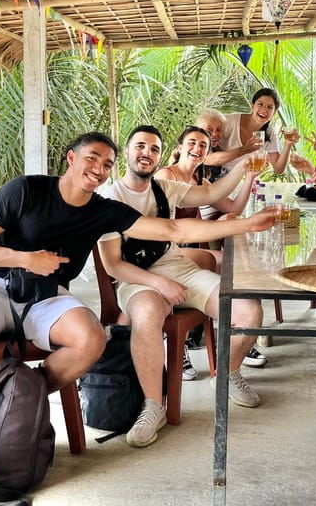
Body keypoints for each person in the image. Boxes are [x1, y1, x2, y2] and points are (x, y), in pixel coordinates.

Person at [0, 132, 276, 506]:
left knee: (92, 339)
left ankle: (10, 405)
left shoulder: (102, 210)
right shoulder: (25, 190)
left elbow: (174, 230)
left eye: (106, 163)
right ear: (71, 158)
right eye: (93, 158)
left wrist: (246, 224)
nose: (99, 169)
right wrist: (25, 259)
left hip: (47, 296)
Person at [99, 126, 271, 448]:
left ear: (160, 156)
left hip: (179, 269)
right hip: (137, 277)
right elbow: (113, 265)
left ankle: (227, 373)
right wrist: (157, 282)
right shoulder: (109, 198)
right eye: (140, 146)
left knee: (248, 309)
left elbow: (210, 195)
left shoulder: (165, 188)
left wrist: (244, 169)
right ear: (127, 151)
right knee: (148, 313)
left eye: (153, 149)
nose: (146, 153)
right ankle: (153, 407)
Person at [156, 125, 268, 377]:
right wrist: (213, 226)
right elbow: (168, 228)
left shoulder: (201, 180)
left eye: (203, 145)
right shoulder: (166, 176)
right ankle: (181, 345)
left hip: (191, 249)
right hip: (171, 251)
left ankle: (240, 333)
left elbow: (234, 206)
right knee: (227, 265)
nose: (197, 149)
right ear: (180, 147)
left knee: (240, 269)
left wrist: (249, 176)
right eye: (192, 143)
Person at [203, 88, 298, 175]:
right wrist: (244, 149)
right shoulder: (229, 121)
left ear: (274, 113)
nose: (264, 110)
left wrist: (288, 144)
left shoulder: (269, 133)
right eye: (260, 104)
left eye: (270, 107)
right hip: (214, 176)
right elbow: (206, 159)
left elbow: (278, 169)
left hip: (240, 180)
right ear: (253, 106)